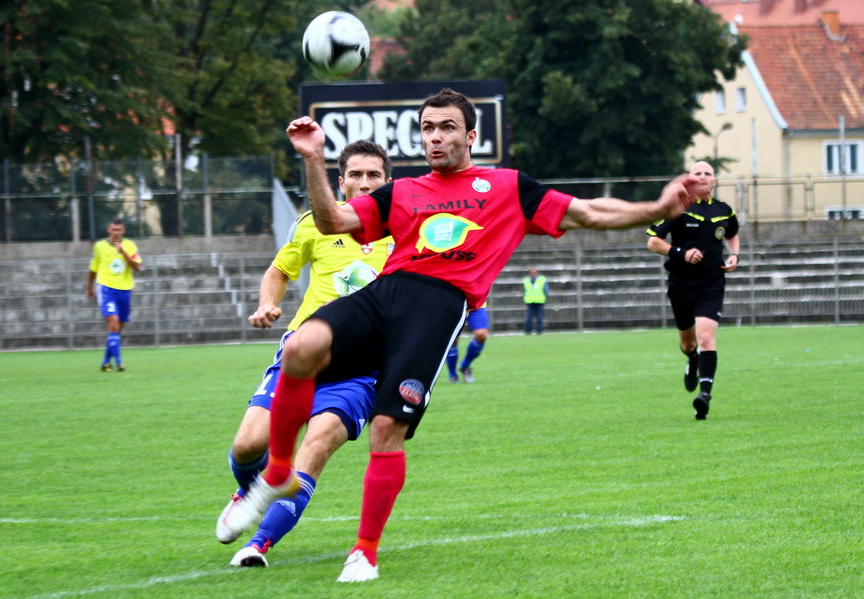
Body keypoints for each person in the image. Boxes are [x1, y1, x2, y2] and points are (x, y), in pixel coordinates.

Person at [217, 88, 699, 582]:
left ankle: (364, 552)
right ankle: (277, 471)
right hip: (387, 292)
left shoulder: (509, 187)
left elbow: (589, 213)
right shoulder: (403, 191)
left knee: (387, 430)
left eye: (446, 127)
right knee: (300, 346)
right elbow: (333, 220)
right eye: (427, 128)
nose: (435, 137)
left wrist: (654, 208)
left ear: (470, 135)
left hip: (439, 305)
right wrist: (314, 158)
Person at [216, 140, 394, 568]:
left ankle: (258, 544)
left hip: (361, 369)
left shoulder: (405, 231)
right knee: (247, 447)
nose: (364, 183)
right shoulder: (316, 222)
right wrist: (266, 303)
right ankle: (247, 489)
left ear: (388, 183)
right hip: (301, 353)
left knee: (313, 448)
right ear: (341, 181)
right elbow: (280, 270)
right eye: (356, 174)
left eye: (373, 175)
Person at [646, 160, 740, 420]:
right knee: (689, 343)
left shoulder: (724, 210)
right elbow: (653, 242)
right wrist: (682, 253)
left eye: (707, 173)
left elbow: (732, 233)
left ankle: (705, 395)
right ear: (689, 179)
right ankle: (692, 359)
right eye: (696, 173)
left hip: (712, 282)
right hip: (681, 284)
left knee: (707, 338)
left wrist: (734, 255)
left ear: (714, 180)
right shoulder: (676, 208)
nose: (702, 177)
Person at [87, 218, 142, 372]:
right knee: (113, 323)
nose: (116, 233)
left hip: (125, 289)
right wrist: (89, 288)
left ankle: (105, 361)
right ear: (108, 230)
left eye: (119, 230)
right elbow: (93, 268)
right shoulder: (99, 246)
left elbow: (137, 267)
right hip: (106, 288)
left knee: (118, 327)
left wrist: (123, 252)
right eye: (113, 230)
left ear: (123, 231)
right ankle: (119, 362)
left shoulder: (130, 245)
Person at [446, 303, 489, 383]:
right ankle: (453, 374)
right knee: (453, 338)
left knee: (481, 334)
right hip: (455, 302)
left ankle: (465, 365)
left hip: (477, 303)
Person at [523, 267, 549, 334]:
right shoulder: (526, 280)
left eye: (534, 272)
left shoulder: (542, 279)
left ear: (537, 273)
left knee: (539, 318)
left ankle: (539, 331)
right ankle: (528, 332)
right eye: (532, 272)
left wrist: (544, 297)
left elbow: (546, 290)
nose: (533, 274)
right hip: (530, 302)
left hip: (539, 301)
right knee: (528, 318)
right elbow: (524, 291)